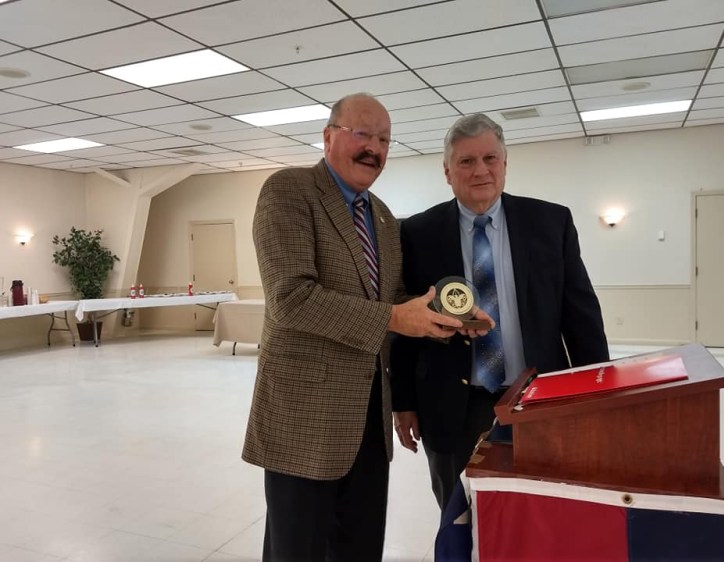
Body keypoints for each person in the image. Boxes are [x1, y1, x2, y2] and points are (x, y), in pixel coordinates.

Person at [242, 93, 468, 562]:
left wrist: (452, 316)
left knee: (360, 546)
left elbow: (398, 299)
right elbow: (291, 298)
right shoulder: (289, 191)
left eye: (384, 139)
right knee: (297, 549)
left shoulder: (382, 217)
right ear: (328, 137)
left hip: (368, 418)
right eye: (361, 134)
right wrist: (393, 317)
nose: (374, 148)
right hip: (304, 419)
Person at [391, 113, 609, 513]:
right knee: (459, 517)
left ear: (505, 163)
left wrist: (596, 397)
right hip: (451, 405)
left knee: (540, 515)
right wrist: (402, 401)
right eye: (466, 161)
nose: (481, 171)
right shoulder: (418, 233)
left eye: (490, 158)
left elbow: (581, 317)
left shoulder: (550, 222)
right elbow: (406, 325)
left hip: (536, 398)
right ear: (447, 171)